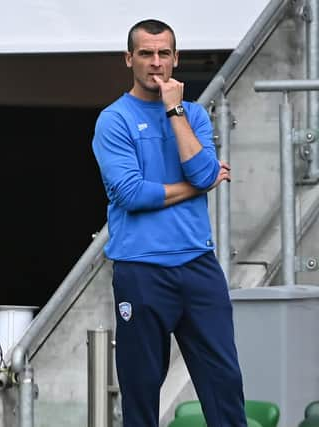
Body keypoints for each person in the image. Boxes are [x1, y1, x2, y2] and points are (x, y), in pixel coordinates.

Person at [91, 19, 246, 427]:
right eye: (146, 53)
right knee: (141, 392)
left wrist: (174, 109)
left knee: (225, 384)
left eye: (164, 54)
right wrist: (197, 189)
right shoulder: (114, 120)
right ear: (129, 59)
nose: (155, 63)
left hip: (198, 266)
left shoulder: (192, 114)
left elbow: (200, 170)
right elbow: (132, 194)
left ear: (176, 59)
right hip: (141, 270)